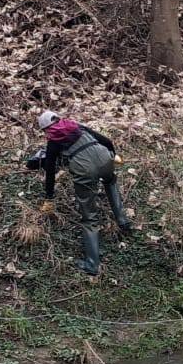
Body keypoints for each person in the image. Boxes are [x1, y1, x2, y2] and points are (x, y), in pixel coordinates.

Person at [30, 109, 136, 276]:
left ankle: (92, 264)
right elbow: (106, 140)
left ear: (46, 129)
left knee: (89, 217)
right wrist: (113, 156)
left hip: (85, 170)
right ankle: (123, 221)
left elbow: (50, 171)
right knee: (110, 181)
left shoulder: (53, 142)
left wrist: (49, 197)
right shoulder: (76, 126)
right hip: (105, 157)